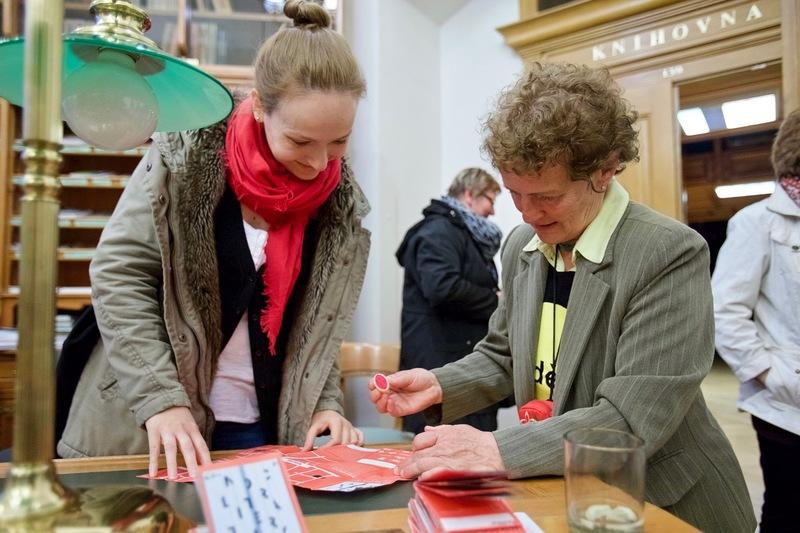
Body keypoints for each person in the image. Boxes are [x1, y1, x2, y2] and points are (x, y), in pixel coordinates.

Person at [370, 62, 755, 532]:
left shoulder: (667, 252)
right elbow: (504, 355)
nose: (529, 214)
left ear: (605, 170)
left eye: (547, 196)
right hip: (566, 490)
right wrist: (441, 384)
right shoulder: (521, 248)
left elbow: (632, 416)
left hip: (662, 500)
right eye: (515, 193)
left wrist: (495, 448)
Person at [57, 0, 370, 480]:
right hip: (151, 420)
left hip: (261, 426)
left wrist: (324, 405)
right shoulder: (184, 158)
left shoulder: (337, 201)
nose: (319, 163)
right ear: (261, 107)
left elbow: (318, 324)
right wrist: (161, 399)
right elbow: (119, 275)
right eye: (301, 142)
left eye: (339, 142)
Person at [712, 108, 800, 533]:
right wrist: (772, 374)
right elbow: (725, 311)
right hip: (785, 406)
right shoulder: (756, 223)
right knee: (787, 508)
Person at [396, 168, 504, 434]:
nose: (493, 210)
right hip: (440, 359)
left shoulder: (463, 233)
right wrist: (496, 299)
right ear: (469, 195)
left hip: (457, 358)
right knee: (440, 454)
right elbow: (442, 287)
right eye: (490, 199)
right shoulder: (439, 231)